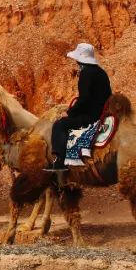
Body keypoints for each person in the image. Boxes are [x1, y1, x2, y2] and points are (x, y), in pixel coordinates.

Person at [46, 43, 112, 174]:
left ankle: (60, 162)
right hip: (102, 113)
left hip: (91, 116)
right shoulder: (101, 72)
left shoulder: (86, 73)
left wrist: (70, 113)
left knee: (59, 125)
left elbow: (84, 99)